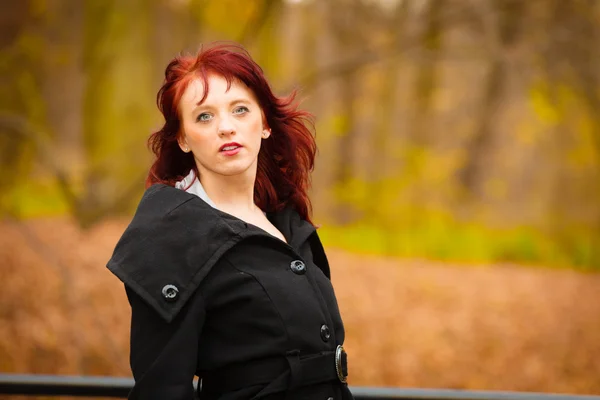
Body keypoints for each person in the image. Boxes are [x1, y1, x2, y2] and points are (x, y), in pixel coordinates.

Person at [106, 42, 353, 400]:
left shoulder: (285, 222)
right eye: (204, 116)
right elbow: (162, 389)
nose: (226, 127)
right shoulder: (171, 239)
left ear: (264, 123)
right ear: (183, 138)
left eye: (240, 110)